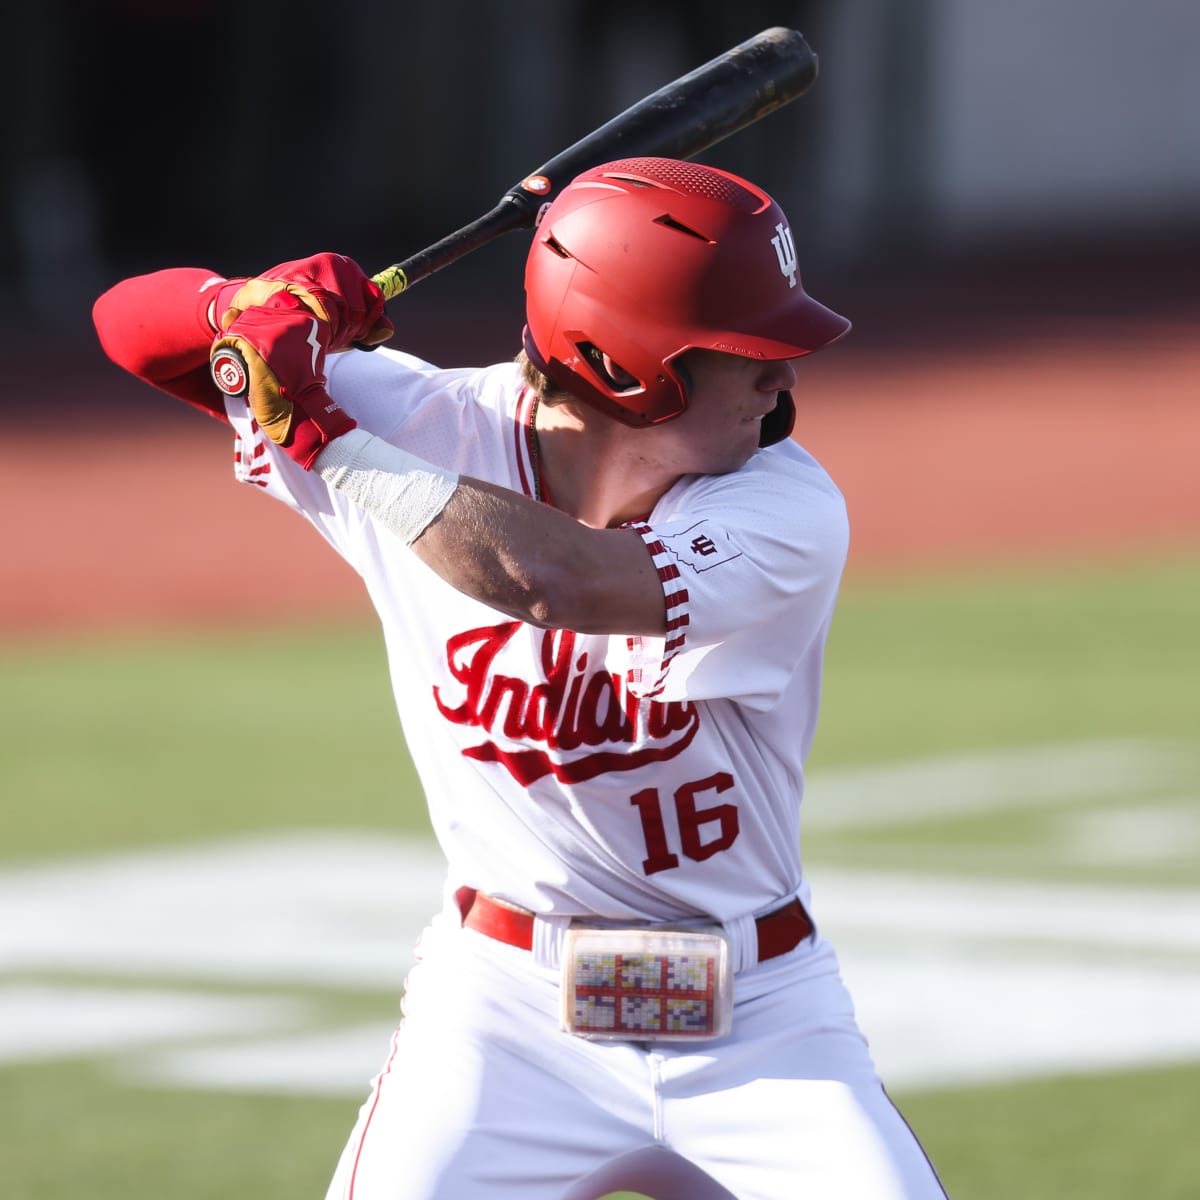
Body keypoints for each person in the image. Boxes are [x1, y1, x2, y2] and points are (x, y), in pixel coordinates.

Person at [94, 157, 948, 1200]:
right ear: (626, 363)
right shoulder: (417, 425)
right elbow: (132, 329)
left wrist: (318, 429)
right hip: (501, 1018)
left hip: (763, 1024)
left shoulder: (787, 509)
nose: (785, 378)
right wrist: (246, 308)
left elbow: (551, 577)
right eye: (747, 352)